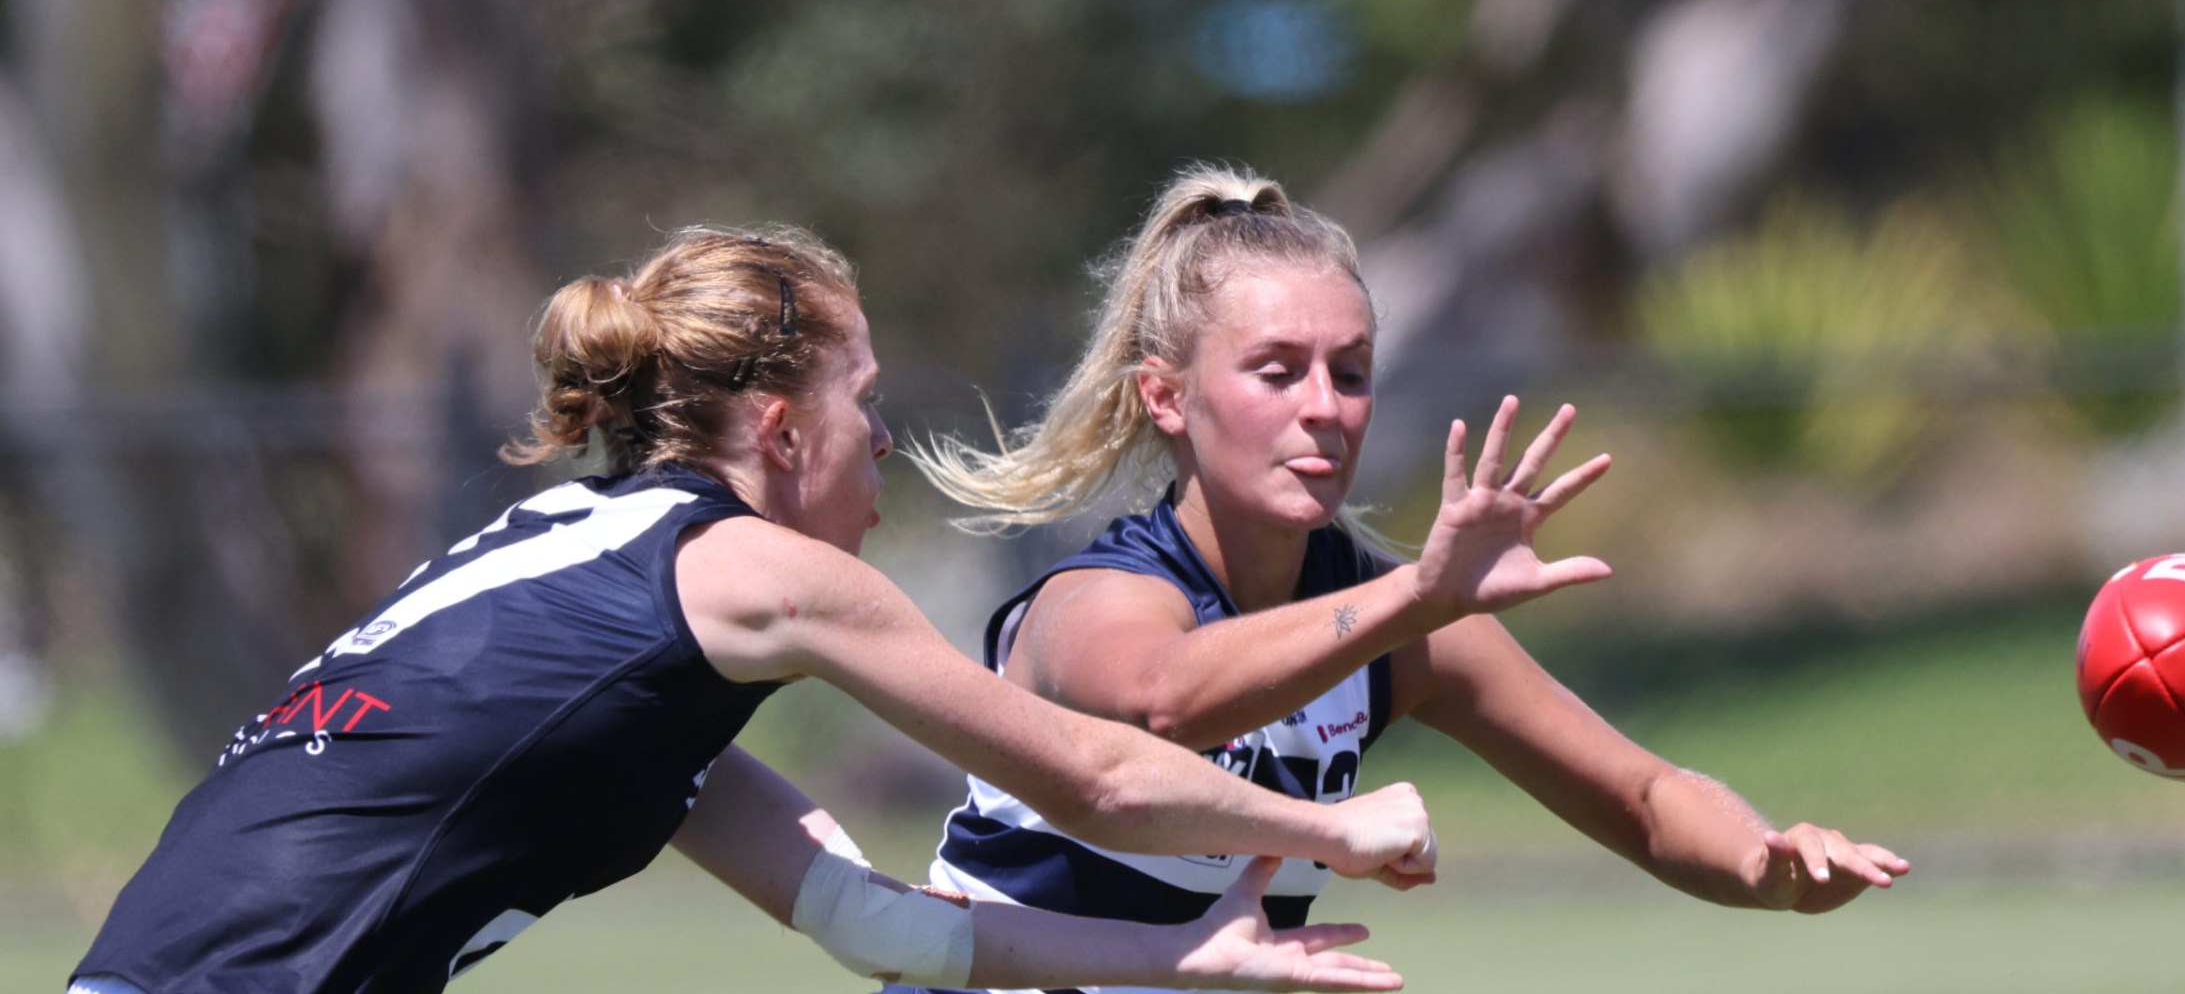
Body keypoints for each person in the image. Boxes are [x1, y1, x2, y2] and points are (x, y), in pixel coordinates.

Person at [67, 226, 1439, 994]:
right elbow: (1091, 772)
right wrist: (1333, 829)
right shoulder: (752, 575)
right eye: (866, 400)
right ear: (782, 432)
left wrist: (1183, 956)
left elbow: (876, 923)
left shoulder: (605, 622)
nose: (884, 440)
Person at [902, 166, 1911, 993]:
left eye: (1349, 372)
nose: (1325, 407)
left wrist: (1764, 864)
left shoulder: (1399, 620)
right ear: (1167, 397)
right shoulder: (1094, 600)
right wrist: (1417, 599)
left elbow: (1643, 795)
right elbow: (1164, 701)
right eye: (1276, 371)